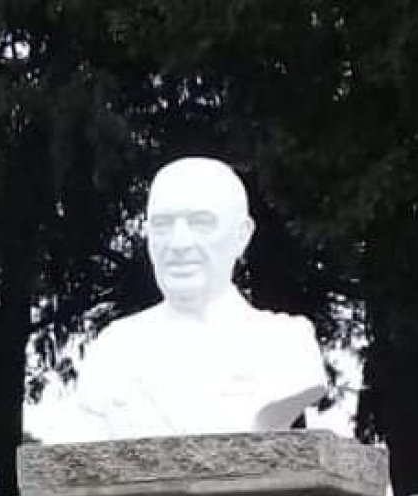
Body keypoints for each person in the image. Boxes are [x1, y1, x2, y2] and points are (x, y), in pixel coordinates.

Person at [67, 157, 327, 441]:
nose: (179, 244)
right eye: (163, 224)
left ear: (242, 235)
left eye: (201, 223)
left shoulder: (286, 345)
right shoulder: (112, 350)